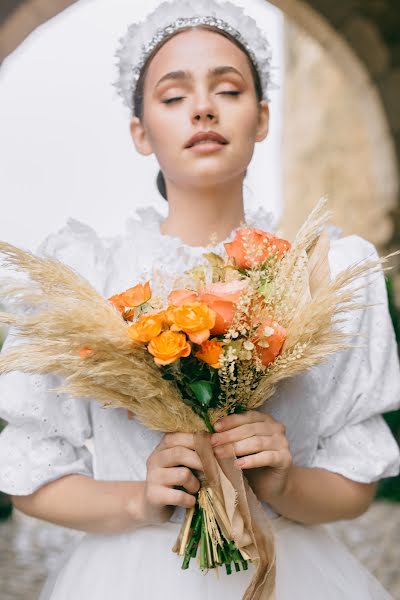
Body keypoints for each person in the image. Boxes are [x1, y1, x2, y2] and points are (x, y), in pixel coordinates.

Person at [0, 1, 399, 598]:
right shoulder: (84, 276)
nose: (204, 107)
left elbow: (355, 485)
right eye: (173, 96)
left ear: (262, 118)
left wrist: (281, 483)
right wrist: (139, 497)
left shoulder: (322, 275)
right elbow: (31, 477)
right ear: (141, 131)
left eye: (229, 89)